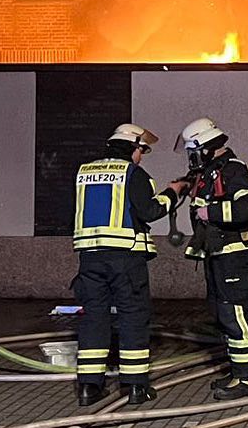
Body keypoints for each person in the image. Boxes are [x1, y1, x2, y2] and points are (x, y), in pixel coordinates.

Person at [71, 124, 186, 407]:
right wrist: (173, 192)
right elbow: (150, 210)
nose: (141, 157)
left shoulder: (84, 172)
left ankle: (88, 388)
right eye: (141, 150)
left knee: (94, 319)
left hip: (90, 258)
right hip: (125, 259)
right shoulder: (133, 174)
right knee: (133, 317)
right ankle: (135, 387)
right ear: (132, 148)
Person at [179, 117, 248, 399]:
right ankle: (238, 370)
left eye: (194, 150)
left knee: (235, 313)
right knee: (223, 314)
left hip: (232, 256)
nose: (193, 157)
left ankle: (247, 379)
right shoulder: (213, 171)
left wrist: (210, 213)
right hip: (217, 254)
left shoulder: (233, 170)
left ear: (205, 146)